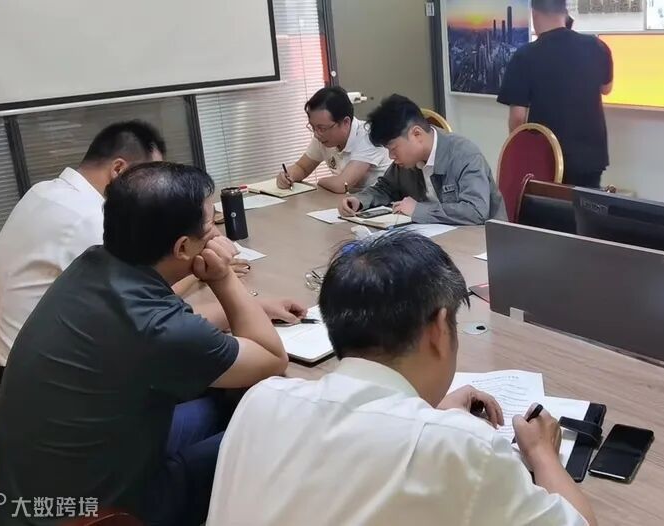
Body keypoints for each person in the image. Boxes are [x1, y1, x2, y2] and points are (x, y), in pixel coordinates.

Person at [207, 231, 596, 526]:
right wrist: (542, 454)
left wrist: (430, 416)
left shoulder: (260, 402)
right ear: (439, 329)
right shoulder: (462, 448)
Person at [0, 162, 305, 526]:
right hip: (106, 515)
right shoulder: (157, 328)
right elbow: (271, 358)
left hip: (34, 501)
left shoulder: (94, 264)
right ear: (183, 247)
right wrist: (222, 278)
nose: (217, 236)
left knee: (221, 404)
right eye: (210, 228)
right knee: (274, 430)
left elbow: (168, 328)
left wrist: (256, 308)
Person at [0, 121, 247, 395]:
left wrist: (194, 269)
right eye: (151, 176)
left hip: (8, 366)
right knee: (221, 382)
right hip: (37, 383)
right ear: (119, 170)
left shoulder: (46, 191)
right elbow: (148, 308)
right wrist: (205, 273)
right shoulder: (90, 219)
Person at [338, 94, 506, 225]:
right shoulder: (406, 162)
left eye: (393, 149)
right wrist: (360, 200)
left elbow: (476, 211)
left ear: (416, 134)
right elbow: (386, 188)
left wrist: (419, 210)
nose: (391, 157)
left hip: (480, 243)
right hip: (436, 238)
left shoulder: (464, 154)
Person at [498, 0, 613, 188]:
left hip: (546, 159)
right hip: (590, 159)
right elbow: (606, 89)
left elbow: (518, 119)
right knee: (585, 205)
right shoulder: (596, 46)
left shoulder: (524, 56)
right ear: (565, 13)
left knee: (548, 206)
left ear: (534, 14)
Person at [276, 86, 391, 193]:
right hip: (349, 201)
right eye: (313, 127)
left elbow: (343, 185)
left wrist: (320, 181)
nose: (316, 134)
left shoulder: (368, 136)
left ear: (346, 122)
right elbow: (302, 167)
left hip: (380, 203)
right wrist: (288, 176)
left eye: (322, 128)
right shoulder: (322, 137)